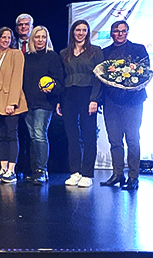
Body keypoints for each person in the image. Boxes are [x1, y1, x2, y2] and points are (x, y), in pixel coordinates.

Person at [99, 20, 149, 190]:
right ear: (111, 33)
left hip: (133, 101)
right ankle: (117, 174)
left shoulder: (138, 49)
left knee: (133, 139)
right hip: (111, 102)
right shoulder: (104, 53)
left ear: (127, 32)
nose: (120, 34)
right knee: (114, 140)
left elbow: (145, 73)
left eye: (123, 31)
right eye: (116, 31)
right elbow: (100, 79)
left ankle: (133, 177)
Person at [58, 20, 103, 188]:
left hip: (88, 94)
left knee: (89, 134)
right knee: (72, 135)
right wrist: (59, 101)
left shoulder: (95, 51)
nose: (81, 33)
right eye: (78, 30)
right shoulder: (64, 53)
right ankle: (75, 172)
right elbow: (61, 79)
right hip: (68, 95)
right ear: (73, 32)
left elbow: (99, 77)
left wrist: (94, 99)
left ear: (88, 32)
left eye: (84, 30)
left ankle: (87, 173)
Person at [23, 26, 63, 184]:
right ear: (32, 39)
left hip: (45, 103)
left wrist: (52, 89)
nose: (40, 40)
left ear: (47, 39)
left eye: (43, 37)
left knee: (40, 135)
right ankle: (35, 170)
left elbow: (59, 82)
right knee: (33, 137)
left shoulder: (52, 56)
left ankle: (42, 170)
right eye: (37, 37)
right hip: (28, 103)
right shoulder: (27, 57)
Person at [0, 27, 28, 183]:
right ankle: (3, 167)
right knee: (0, 135)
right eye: (3, 37)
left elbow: (17, 79)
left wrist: (12, 102)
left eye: (8, 37)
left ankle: (11, 169)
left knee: (11, 134)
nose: (5, 40)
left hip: (11, 101)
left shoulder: (16, 54)